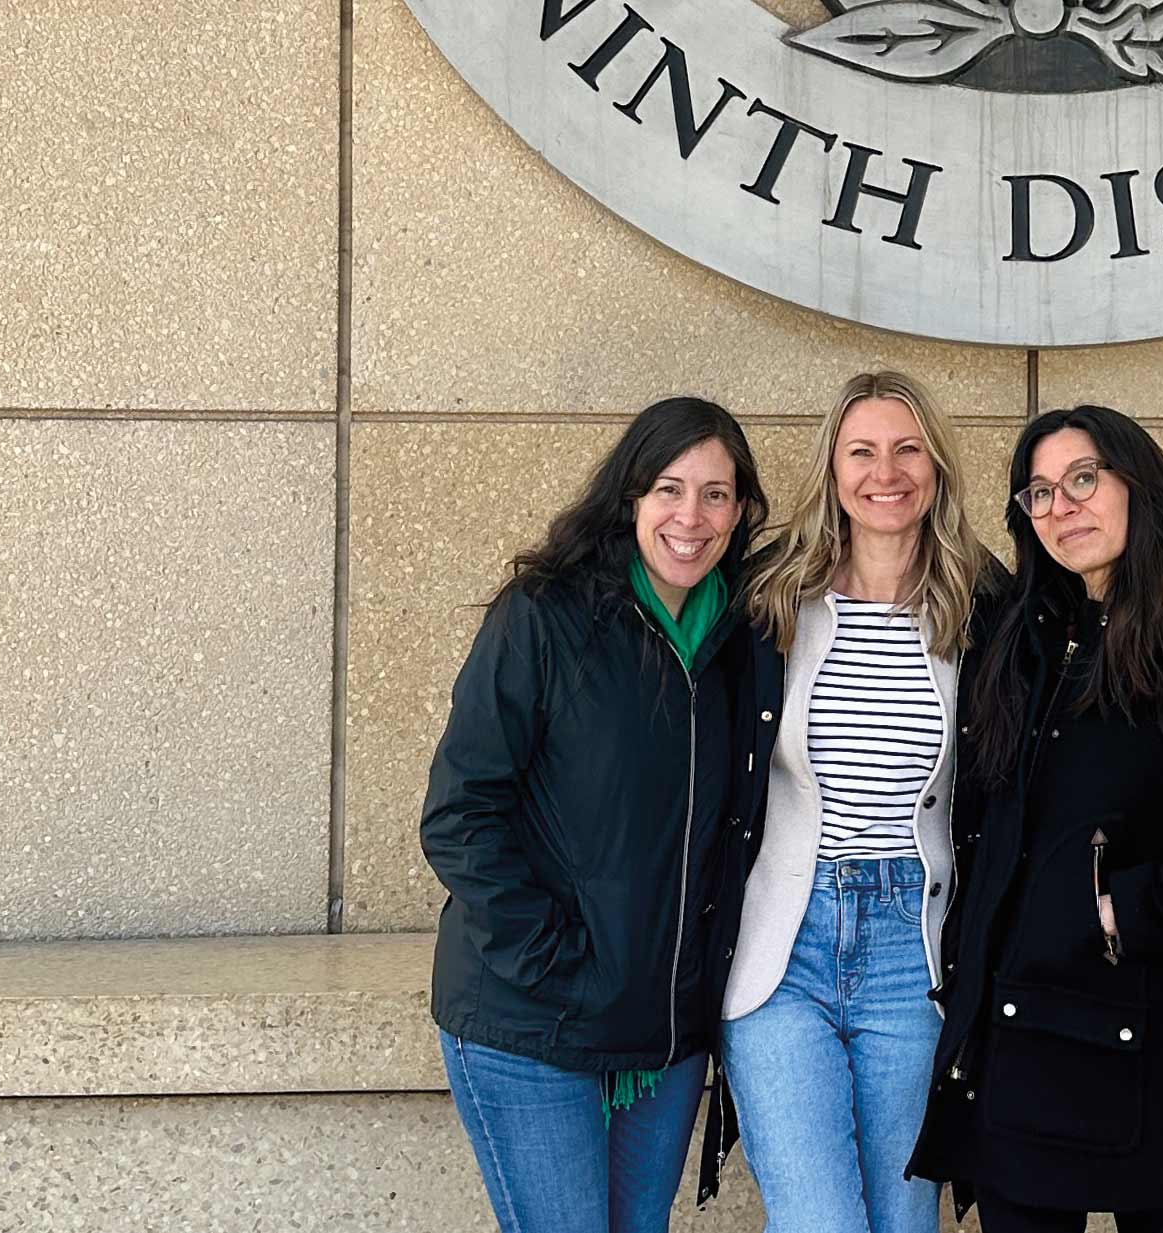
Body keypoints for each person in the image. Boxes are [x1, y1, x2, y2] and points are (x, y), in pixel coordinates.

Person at [908, 405, 1163, 1233]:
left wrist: (1123, 907)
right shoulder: (1020, 648)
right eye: (1040, 493)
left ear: (1138, 485)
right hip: (1019, 1056)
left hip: (1158, 1054)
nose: (1063, 507)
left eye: (1083, 478)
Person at [419, 397, 773, 1233]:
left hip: (665, 1036)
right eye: (669, 489)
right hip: (535, 1021)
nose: (692, 517)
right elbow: (459, 813)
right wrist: (554, 965)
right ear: (629, 499)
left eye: (717, 494)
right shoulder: (545, 617)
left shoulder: (742, 638)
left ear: (741, 509)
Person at [720, 372, 994, 1233]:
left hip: (912, 952)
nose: (888, 471)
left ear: (938, 466)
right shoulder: (769, 599)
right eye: (863, 450)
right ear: (833, 469)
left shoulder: (987, 608)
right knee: (820, 1222)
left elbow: (1110, 659)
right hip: (784, 947)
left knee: (905, 1223)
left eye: (909, 448)